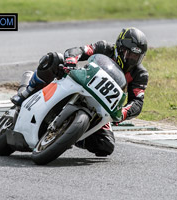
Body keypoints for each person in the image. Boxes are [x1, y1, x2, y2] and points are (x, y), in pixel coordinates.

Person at [11, 27, 149, 157]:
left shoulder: (140, 74)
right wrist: (72, 59)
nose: (132, 59)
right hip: (79, 83)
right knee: (53, 59)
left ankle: (71, 136)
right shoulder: (104, 47)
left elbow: (137, 102)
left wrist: (122, 113)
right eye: (129, 54)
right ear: (120, 47)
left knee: (105, 146)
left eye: (136, 57)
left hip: (100, 107)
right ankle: (27, 92)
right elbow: (80, 50)